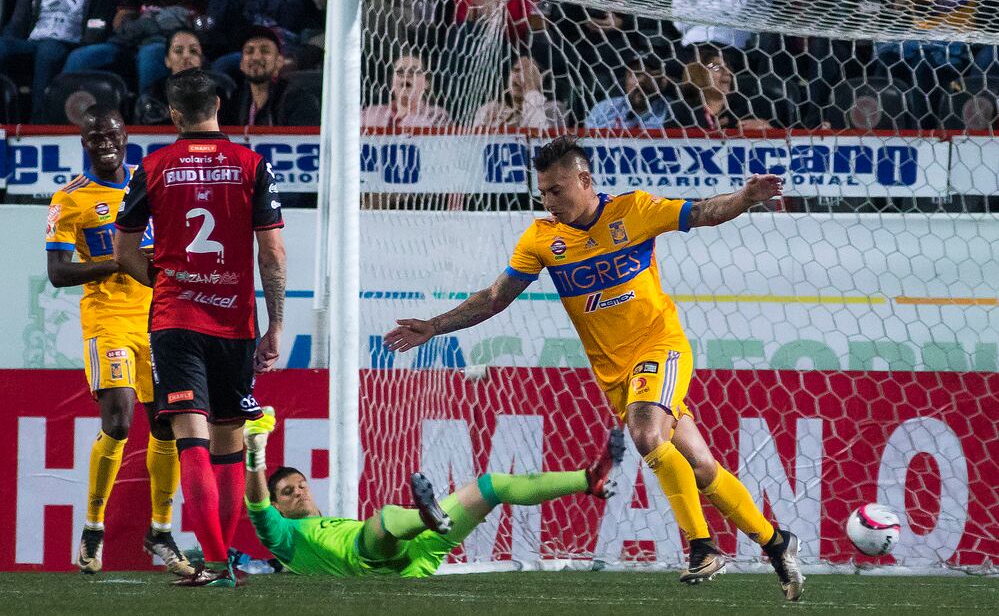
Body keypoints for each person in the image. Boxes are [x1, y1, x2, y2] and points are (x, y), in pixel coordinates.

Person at [385, 136, 806, 600]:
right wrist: (434, 326)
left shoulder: (634, 211)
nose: (549, 201)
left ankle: (702, 547)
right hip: (615, 374)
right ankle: (775, 542)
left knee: (647, 436)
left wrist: (745, 198)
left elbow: (704, 211)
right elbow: (494, 298)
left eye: (557, 190)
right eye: (543, 192)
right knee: (701, 466)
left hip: (660, 347)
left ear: (585, 180)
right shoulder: (542, 239)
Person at [113, 68, 287, 588]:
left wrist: (166, 277)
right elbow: (272, 253)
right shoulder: (252, 165)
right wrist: (275, 324)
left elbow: (123, 251)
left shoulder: (154, 166)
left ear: (173, 115)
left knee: (192, 438)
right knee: (230, 444)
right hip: (235, 323)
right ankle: (222, 561)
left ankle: (214, 564)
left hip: (175, 320)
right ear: (217, 105)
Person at [44, 105, 192, 577]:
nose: (103, 142)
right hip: (108, 318)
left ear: (125, 135)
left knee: (167, 424)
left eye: (109, 134)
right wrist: (121, 260)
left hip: (159, 317)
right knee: (121, 420)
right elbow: (58, 272)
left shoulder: (151, 181)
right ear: (83, 142)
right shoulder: (69, 200)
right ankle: (93, 526)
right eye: (93, 137)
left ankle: (162, 530)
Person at [242, 408, 624, 578]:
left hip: (419, 551)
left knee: (492, 486)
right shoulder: (284, 538)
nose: (298, 493)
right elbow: (258, 508)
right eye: (287, 492)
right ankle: (426, 515)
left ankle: (587, 479)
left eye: (300, 485)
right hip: (370, 561)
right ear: (278, 504)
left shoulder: (327, 521)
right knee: (384, 518)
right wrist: (255, 453)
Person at [63, 0, 214, 94]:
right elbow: (121, 17)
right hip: (132, 40)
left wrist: (163, 23)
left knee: (151, 54)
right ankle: (59, 117)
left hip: (167, 44)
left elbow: (208, 21)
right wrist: (137, 25)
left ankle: (149, 114)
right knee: (80, 57)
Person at [0, 0, 117, 122]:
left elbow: (98, 26)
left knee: (49, 51)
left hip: (70, 43)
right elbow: (18, 21)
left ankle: (39, 123)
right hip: (33, 40)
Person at [675, 49, 772, 131]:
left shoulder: (749, 107)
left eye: (728, 67)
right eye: (717, 67)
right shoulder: (682, 111)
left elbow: (782, 143)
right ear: (699, 73)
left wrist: (766, 129)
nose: (727, 72)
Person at [360, 53, 451, 130]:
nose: (406, 75)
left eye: (414, 71)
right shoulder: (370, 113)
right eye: (400, 71)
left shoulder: (437, 115)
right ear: (392, 82)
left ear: (426, 83)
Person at [473, 56, 565, 130]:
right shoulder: (490, 109)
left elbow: (544, 139)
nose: (520, 76)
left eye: (528, 73)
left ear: (542, 79)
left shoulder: (554, 108)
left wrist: (531, 89)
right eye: (516, 70)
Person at [134, 29, 205, 125]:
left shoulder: (217, 93)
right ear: (167, 60)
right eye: (178, 51)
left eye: (193, 51)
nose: (186, 56)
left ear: (201, 60)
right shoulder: (152, 96)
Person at [221, 26, 288, 126]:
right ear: (242, 64)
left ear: (279, 62)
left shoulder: (295, 99)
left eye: (265, 51)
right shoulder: (235, 102)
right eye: (249, 51)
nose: (256, 57)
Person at [584, 55, 673, 130]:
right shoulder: (604, 109)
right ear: (625, 80)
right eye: (636, 74)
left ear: (660, 80)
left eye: (649, 75)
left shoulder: (670, 109)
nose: (641, 81)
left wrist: (670, 85)